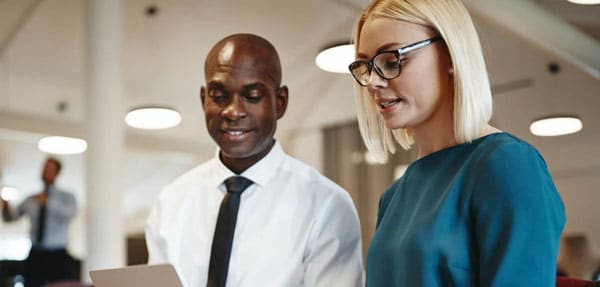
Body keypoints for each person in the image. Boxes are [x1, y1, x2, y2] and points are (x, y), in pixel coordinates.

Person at [348, 0, 565, 286]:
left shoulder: (507, 164)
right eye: (366, 66)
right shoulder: (394, 196)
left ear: (451, 54)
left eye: (391, 61)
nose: (374, 82)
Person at [145, 33, 363, 287]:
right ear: (204, 99)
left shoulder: (326, 205)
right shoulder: (171, 201)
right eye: (219, 96)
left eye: (252, 96)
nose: (233, 111)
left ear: (279, 102)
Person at [1, 157, 77, 287]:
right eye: (44, 168)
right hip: (36, 253)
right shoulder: (31, 199)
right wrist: (6, 207)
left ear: (57, 173)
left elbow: (69, 213)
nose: (45, 171)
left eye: (49, 168)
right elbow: (11, 218)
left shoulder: (67, 198)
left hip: (57, 254)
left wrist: (48, 201)